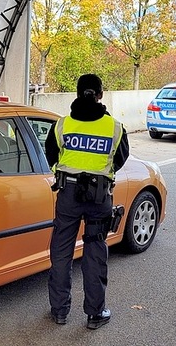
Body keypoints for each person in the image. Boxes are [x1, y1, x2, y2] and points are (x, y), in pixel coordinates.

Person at [44, 73, 129, 329]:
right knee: (94, 253)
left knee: (61, 252)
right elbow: (120, 158)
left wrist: (67, 174)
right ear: (100, 94)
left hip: (68, 195)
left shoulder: (62, 125)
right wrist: (99, 175)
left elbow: (51, 155)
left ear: (77, 93)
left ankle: (59, 311)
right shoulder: (114, 127)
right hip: (99, 196)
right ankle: (95, 314)